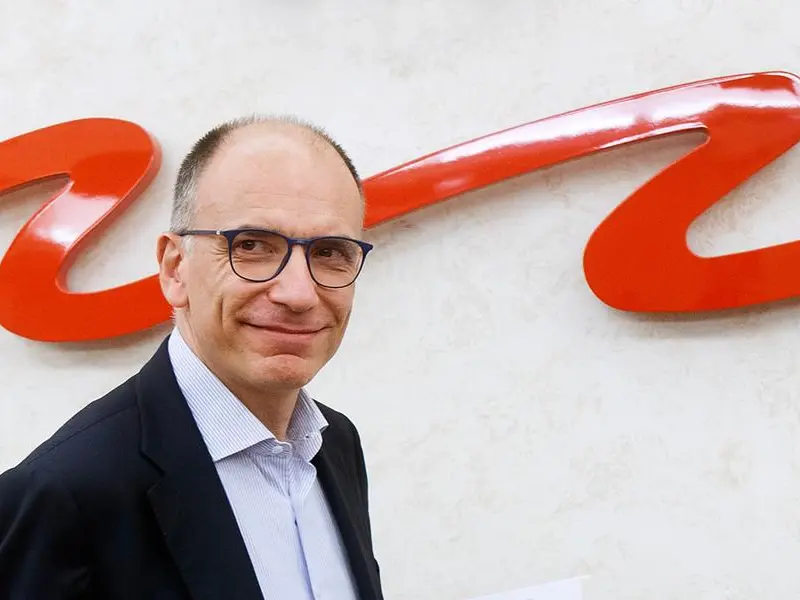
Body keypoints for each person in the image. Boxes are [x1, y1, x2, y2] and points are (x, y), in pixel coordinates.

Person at [0, 115, 383, 600]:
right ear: (175, 268)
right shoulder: (62, 495)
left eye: (330, 252)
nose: (298, 293)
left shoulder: (336, 442)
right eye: (252, 246)